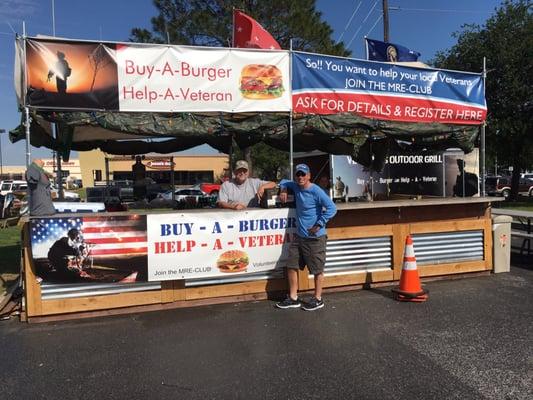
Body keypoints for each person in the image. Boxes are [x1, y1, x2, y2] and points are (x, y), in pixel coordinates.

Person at [276, 163, 337, 311]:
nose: (300, 177)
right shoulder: (295, 186)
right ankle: (293, 298)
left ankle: (318, 299)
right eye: (298, 174)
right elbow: (283, 181)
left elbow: (332, 208)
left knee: (317, 269)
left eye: (303, 174)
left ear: (309, 176)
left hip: (315, 237)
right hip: (299, 236)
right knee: (291, 265)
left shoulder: (316, 190)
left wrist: (319, 224)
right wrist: (283, 189)